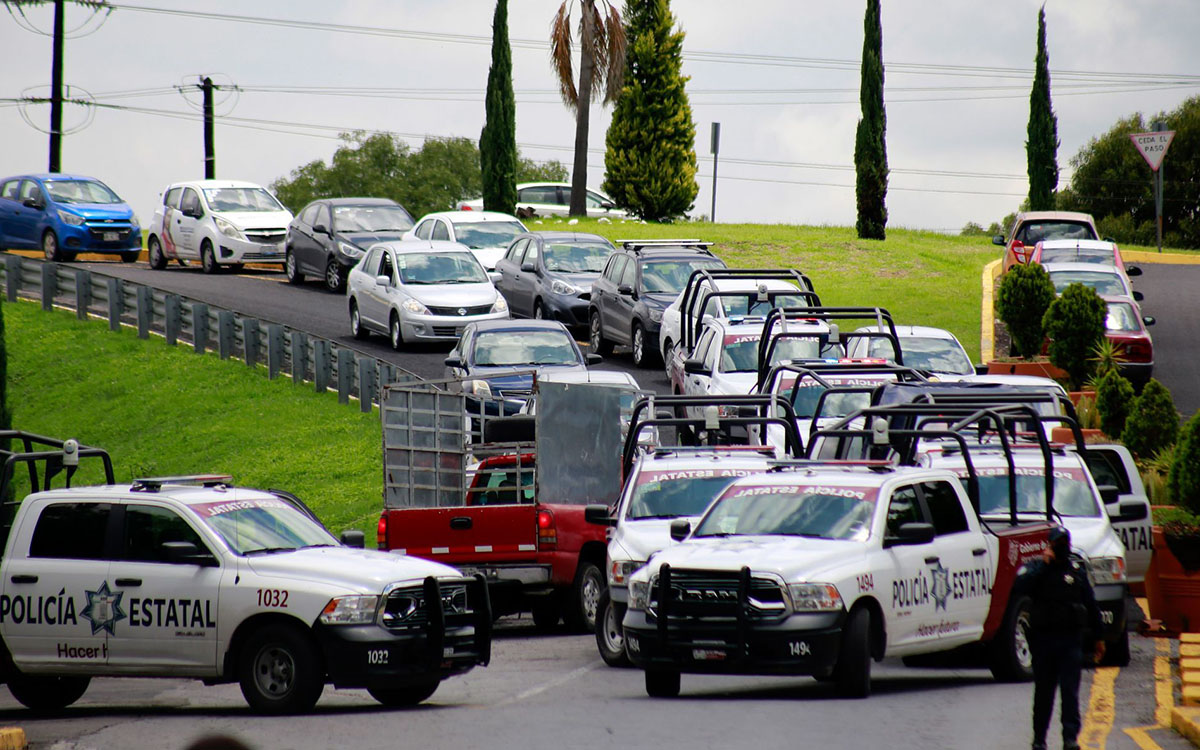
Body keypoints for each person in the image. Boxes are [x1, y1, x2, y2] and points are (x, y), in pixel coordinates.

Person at [1015, 526, 1105, 750]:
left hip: (1070, 640)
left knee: (1070, 693)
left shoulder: (1075, 572)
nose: (1061, 547)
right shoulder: (1037, 568)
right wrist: (1043, 567)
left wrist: (1099, 637)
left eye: (1064, 543)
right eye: (1057, 543)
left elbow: (1091, 605)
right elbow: (1019, 588)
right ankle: (1039, 739)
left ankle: (1070, 738)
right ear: (1049, 545)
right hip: (1043, 641)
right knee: (1044, 693)